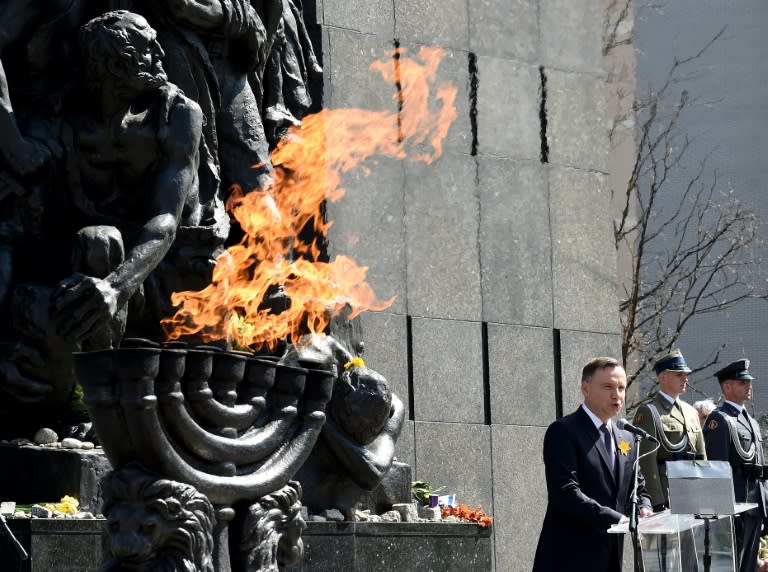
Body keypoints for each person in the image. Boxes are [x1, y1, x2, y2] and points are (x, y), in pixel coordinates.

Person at [533, 356, 652, 572]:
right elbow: (566, 492)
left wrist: (644, 507)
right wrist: (616, 519)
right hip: (569, 557)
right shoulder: (564, 431)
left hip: (610, 558)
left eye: (622, 388)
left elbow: (638, 487)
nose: (617, 394)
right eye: (608, 387)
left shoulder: (626, 438)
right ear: (585, 389)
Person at [704, 359, 768, 572]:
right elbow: (717, 469)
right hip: (736, 507)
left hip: (755, 505)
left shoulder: (750, 421)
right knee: (734, 566)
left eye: (748, 382)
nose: (748, 386)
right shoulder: (719, 420)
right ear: (727, 387)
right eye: (742, 382)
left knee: (748, 565)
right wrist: (724, 513)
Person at [633, 349, 707, 511]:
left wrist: (705, 492)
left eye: (686, 374)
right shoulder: (649, 411)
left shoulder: (691, 412)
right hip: (668, 495)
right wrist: (656, 501)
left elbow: (701, 456)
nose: (685, 379)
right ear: (663, 378)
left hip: (693, 493)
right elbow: (646, 462)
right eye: (679, 375)